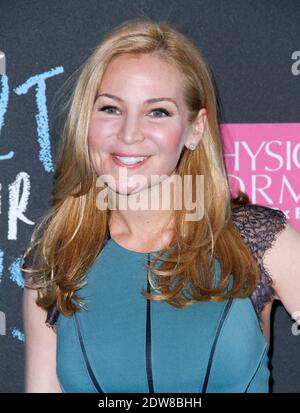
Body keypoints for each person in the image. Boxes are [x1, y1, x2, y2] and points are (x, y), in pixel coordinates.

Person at [21, 18, 300, 393]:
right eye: (110, 108)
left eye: (158, 112)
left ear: (195, 129)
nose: (129, 133)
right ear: (84, 120)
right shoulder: (57, 259)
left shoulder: (259, 243)